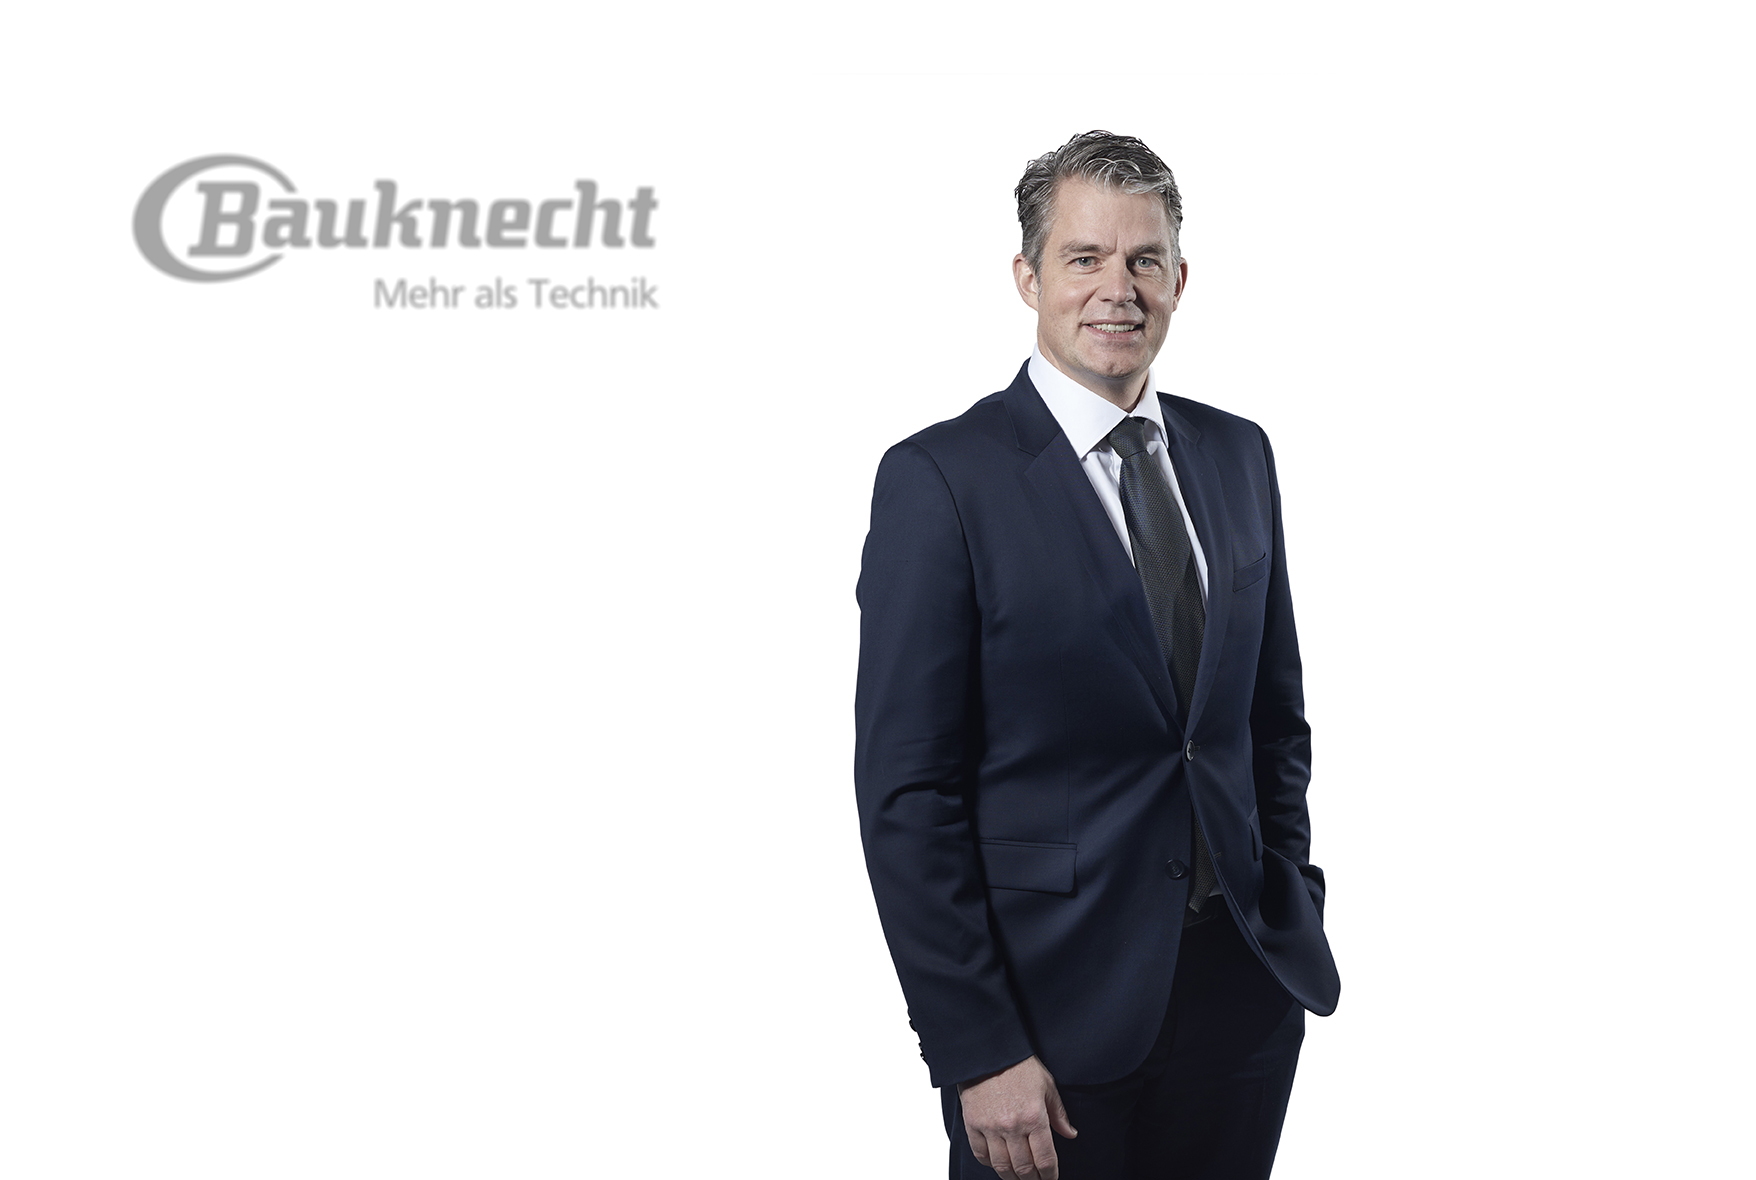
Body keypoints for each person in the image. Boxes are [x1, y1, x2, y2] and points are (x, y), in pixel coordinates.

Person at [853, 131, 1341, 1179]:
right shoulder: (941, 481)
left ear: (1179, 280)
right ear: (1027, 276)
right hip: (1046, 1024)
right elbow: (908, 795)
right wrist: (978, 1046)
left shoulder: (1238, 453)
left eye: (1143, 259)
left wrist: (1288, 895)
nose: (1117, 288)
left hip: (1239, 1001)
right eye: (1083, 258)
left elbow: (1271, 719)